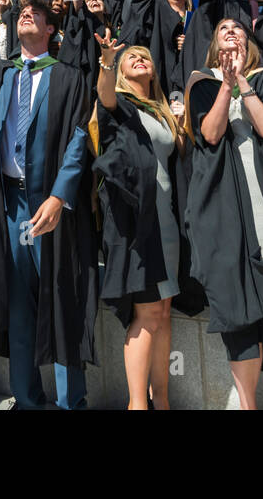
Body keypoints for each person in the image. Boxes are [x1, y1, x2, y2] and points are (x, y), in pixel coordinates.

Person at [0, 0, 95, 410]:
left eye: (36, 15)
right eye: (23, 13)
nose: (26, 15)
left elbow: (80, 139)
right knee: (21, 304)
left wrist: (61, 195)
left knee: (60, 301)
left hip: (50, 205)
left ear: (50, 32)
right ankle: (27, 399)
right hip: (8, 203)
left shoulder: (68, 77)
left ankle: (69, 402)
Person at [182, 18, 263, 408]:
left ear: (249, 42)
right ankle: (247, 402)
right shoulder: (202, 81)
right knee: (238, 303)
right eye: (223, 29)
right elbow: (211, 133)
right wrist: (227, 84)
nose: (231, 31)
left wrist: (245, 82)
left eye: (238, 28)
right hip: (224, 204)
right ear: (214, 43)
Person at [92, 35, 199, 409]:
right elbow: (104, 97)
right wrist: (107, 60)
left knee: (164, 312)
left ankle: (162, 401)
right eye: (130, 57)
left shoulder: (160, 110)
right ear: (121, 70)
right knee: (148, 312)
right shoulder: (119, 104)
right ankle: (137, 404)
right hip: (138, 223)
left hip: (166, 221)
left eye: (144, 56)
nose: (139, 59)